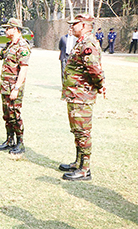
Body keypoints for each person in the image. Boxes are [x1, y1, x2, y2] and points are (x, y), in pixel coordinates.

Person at [59, 14, 105, 181]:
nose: (71, 26)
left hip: (82, 96)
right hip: (75, 95)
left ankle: (85, 170)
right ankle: (78, 162)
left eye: (75, 24)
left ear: (85, 25)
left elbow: (94, 69)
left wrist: (99, 86)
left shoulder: (88, 43)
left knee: (83, 132)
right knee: (77, 131)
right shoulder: (81, 42)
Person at [0, 18, 31, 155]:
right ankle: (9, 141)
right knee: (7, 115)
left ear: (15, 29)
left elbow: (23, 69)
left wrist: (16, 88)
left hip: (14, 87)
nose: (5, 31)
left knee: (15, 115)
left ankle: (20, 143)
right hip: (5, 86)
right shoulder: (10, 45)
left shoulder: (22, 46)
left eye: (7, 28)